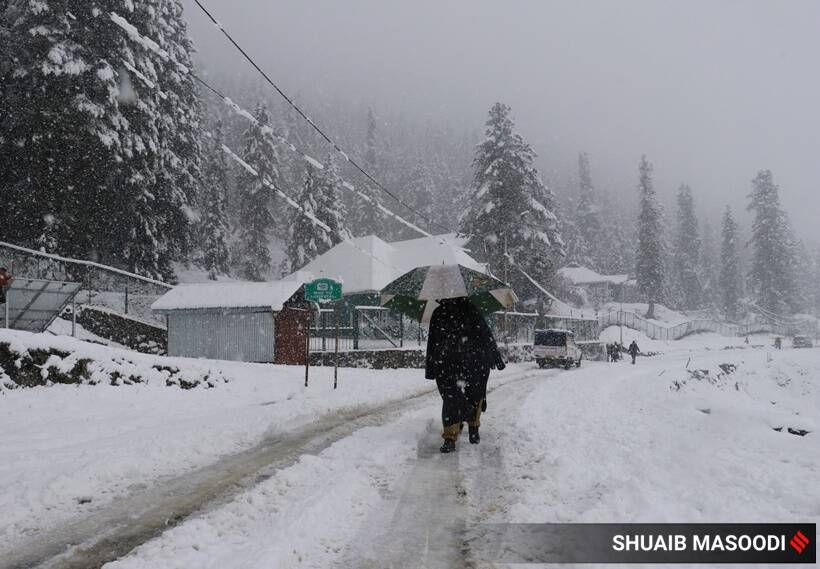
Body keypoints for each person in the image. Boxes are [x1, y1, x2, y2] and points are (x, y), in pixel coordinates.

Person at [425, 297, 505, 453]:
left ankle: (469, 429)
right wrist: (431, 367)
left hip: (468, 362)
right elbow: (433, 341)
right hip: (455, 364)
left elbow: (484, 334)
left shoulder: (461, 310)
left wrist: (495, 357)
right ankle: (453, 436)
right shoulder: (447, 311)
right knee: (455, 399)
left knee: (469, 397)